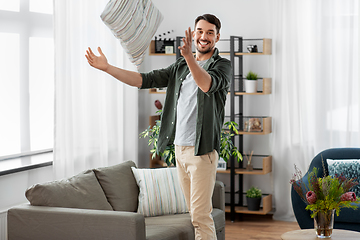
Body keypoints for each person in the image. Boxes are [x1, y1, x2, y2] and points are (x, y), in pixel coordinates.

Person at [85, 13, 231, 240]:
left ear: (217, 37)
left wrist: (190, 59)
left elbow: (206, 85)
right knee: (194, 214)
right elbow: (143, 80)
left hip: (202, 151)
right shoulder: (180, 67)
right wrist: (108, 68)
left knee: (201, 216)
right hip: (180, 149)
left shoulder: (222, 65)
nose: (204, 36)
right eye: (200, 31)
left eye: (210, 32)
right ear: (194, 34)